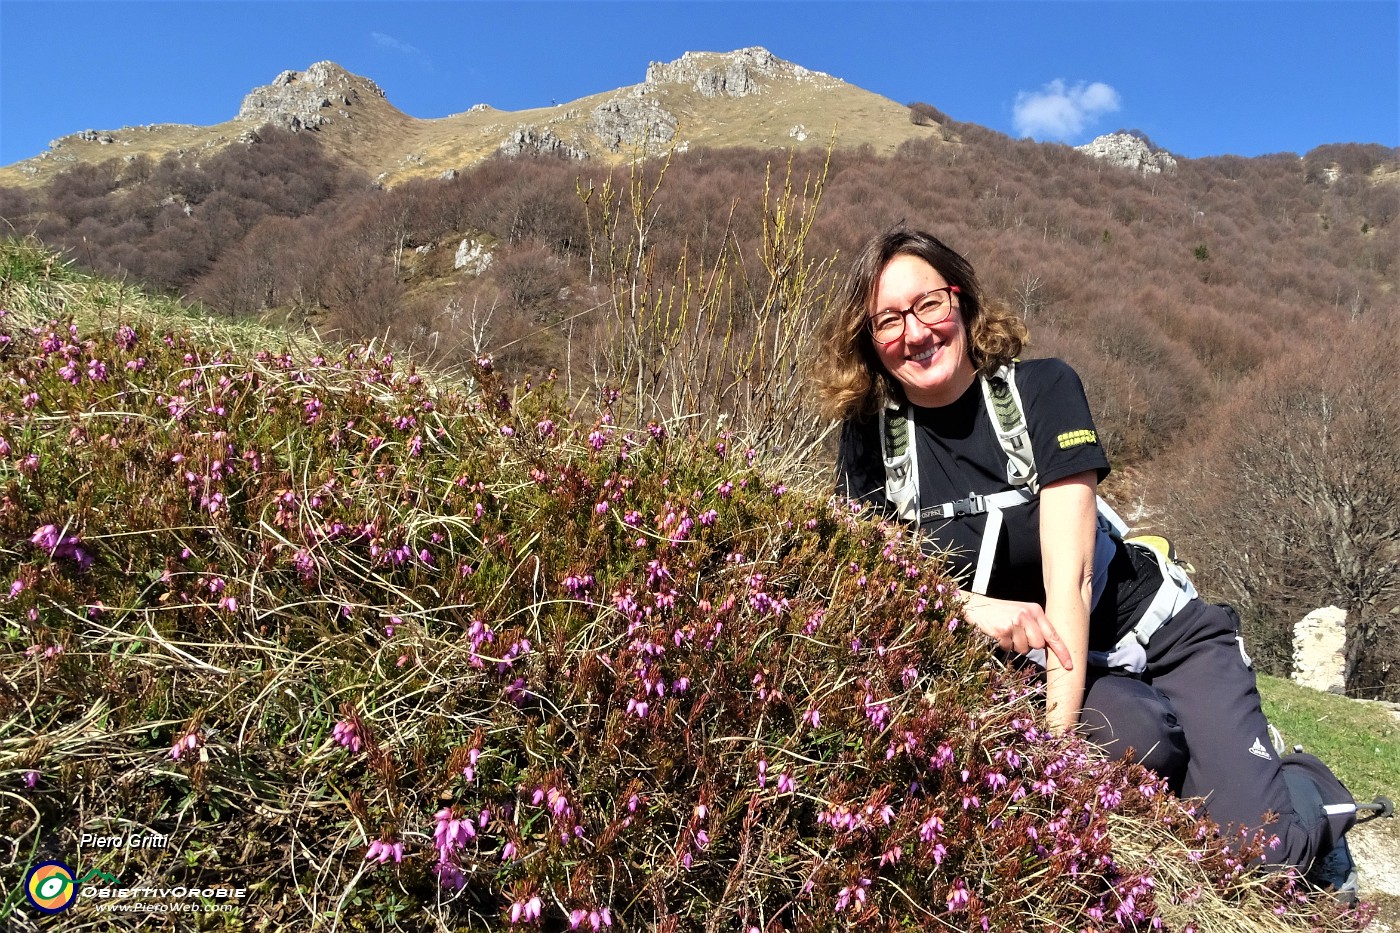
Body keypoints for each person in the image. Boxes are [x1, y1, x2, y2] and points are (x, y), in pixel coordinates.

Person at [809, 225, 1357, 888]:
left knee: (1264, 859)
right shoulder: (870, 440)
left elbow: (1067, 576)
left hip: (1155, 631)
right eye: (888, 319)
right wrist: (967, 606)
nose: (916, 332)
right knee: (1142, 741)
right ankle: (1209, 771)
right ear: (869, 339)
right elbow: (875, 581)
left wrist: (1053, 754)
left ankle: (1304, 785)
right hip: (1054, 662)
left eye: (929, 304)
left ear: (961, 300)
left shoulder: (1041, 391)